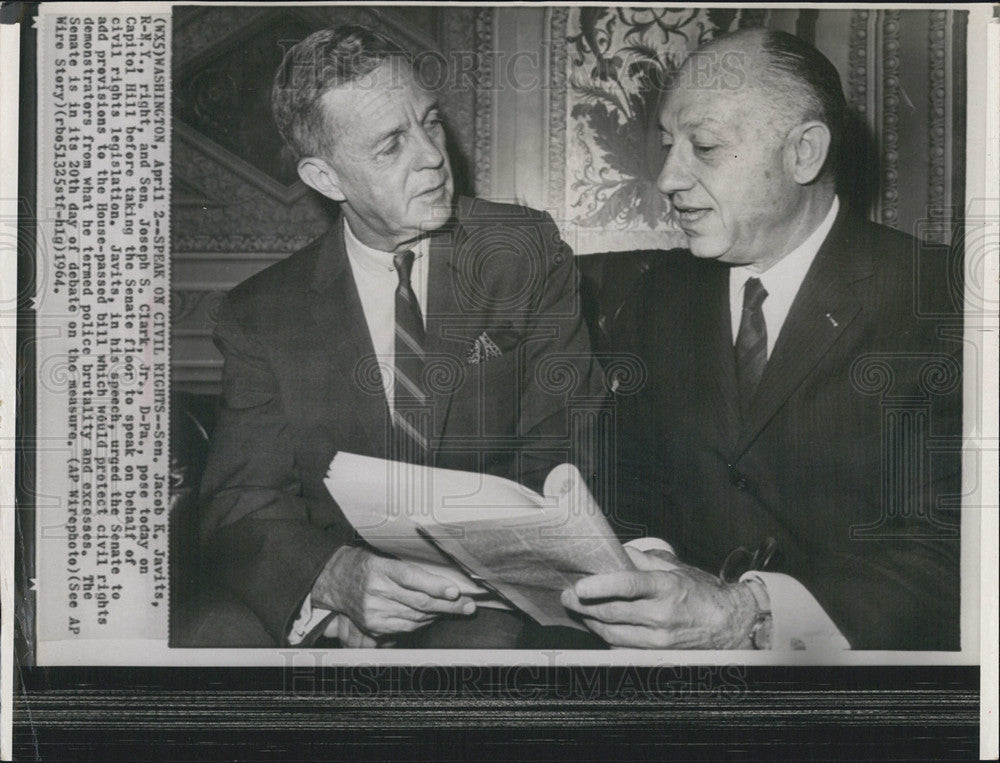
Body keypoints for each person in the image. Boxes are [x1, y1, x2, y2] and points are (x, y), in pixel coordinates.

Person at [187, 25, 604, 648]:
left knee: (479, 651)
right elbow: (242, 501)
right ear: (327, 180)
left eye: (429, 122)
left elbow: (568, 443)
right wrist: (333, 581)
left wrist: (445, 584)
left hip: (489, 591)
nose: (433, 155)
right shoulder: (261, 314)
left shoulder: (522, 250)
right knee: (210, 639)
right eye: (390, 147)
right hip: (343, 583)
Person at [562, 28, 962, 651]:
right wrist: (649, 573)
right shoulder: (656, 295)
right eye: (668, 146)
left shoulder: (940, 300)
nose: (667, 177)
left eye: (705, 146)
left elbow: (957, 546)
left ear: (804, 152)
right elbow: (625, 478)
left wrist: (752, 610)